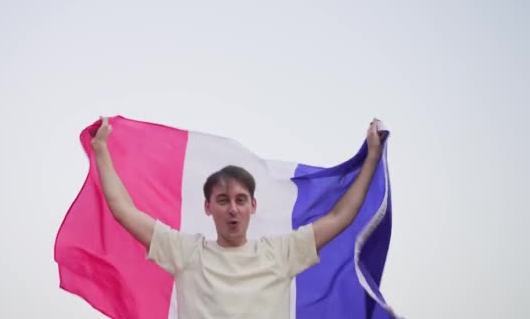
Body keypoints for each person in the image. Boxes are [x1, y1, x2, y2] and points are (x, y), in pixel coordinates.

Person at [90, 117, 386, 319]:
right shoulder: (184, 251)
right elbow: (124, 210)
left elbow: (340, 215)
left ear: (252, 206)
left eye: (240, 200)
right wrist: (101, 151)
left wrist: (372, 157)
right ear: (208, 207)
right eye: (223, 200)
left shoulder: (281, 253)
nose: (232, 208)